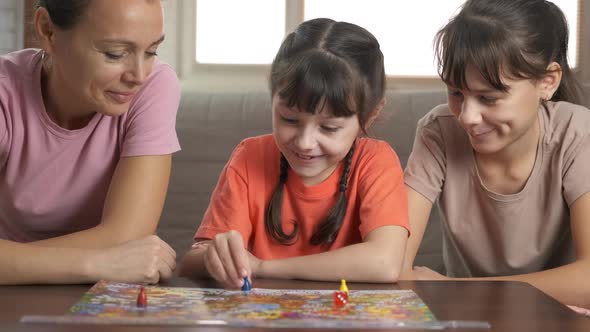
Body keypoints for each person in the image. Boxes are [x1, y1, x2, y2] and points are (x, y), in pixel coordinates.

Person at [179, 18, 409, 289]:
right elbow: (190, 262)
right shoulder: (249, 156)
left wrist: (265, 267)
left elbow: (384, 263)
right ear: (272, 97)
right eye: (289, 119)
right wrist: (213, 257)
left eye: (329, 127)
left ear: (370, 116)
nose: (305, 142)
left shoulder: (375, 161)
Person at [402, 0, 590, 310]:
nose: (467, 117)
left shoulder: (577, 133)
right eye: (456, 93)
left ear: (547, 82)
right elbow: (395, 259)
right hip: (465, 317)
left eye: (488, 98)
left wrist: (457, 289)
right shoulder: (438, 131)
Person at [0, 0, 179, 284]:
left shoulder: (155, 86)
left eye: (151, 51)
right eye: (114, 53)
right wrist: (94, 263)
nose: (139, 76)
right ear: (47, 31)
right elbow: (120, 247)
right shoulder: (5, 92)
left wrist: (14, 262)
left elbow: (128, 234)